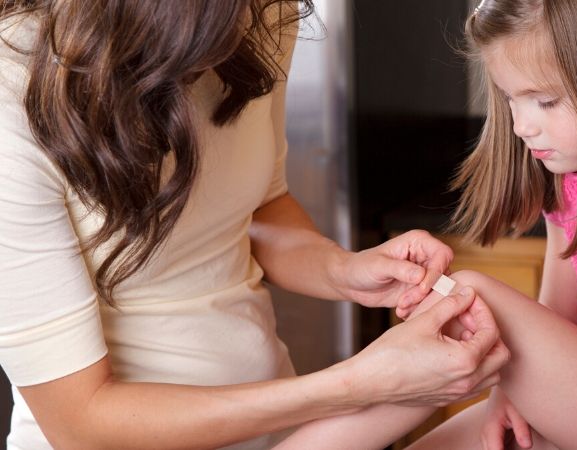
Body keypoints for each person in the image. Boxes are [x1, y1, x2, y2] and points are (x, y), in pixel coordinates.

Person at [264, 0, 577, 449]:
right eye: (511, 98)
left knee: (464, 295)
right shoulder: (572, 175)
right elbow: (556, 319)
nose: (521, 125)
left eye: (546, 101)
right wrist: (510, 392)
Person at [0, 1, 510, 449]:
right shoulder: (13, 95)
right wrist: (357, 383)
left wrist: (341, 269)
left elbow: (260, 206)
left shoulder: (257, 16)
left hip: (281, 428)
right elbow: (80, 422)